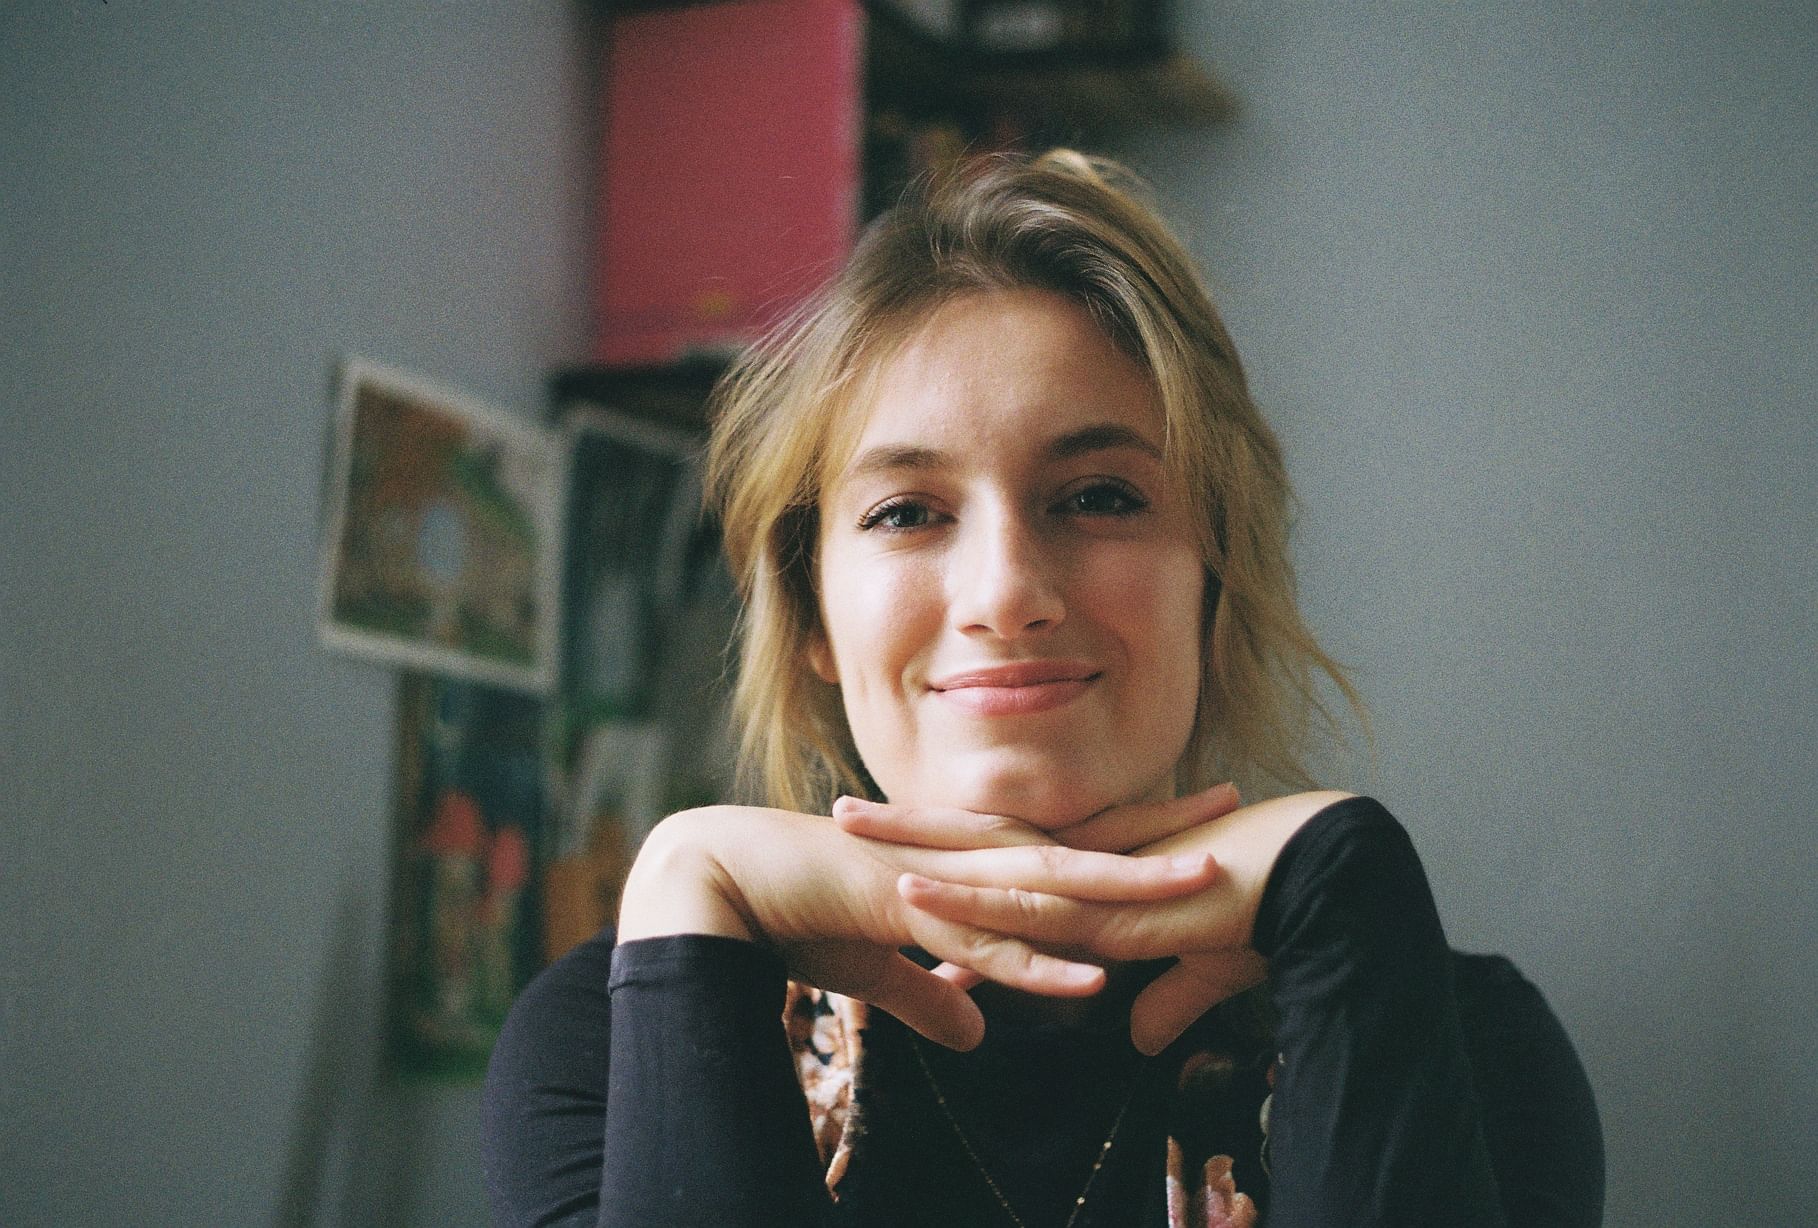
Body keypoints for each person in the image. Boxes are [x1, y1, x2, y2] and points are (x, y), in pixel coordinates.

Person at [482, 150, 1604, 1227]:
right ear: (812, 610)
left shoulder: (1467, 1040)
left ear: (1215, 578)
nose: (1006, 593)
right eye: (907, 512)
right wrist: (684, 884)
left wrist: (1343, 890)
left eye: (1101, 496)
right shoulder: (609, 1041)